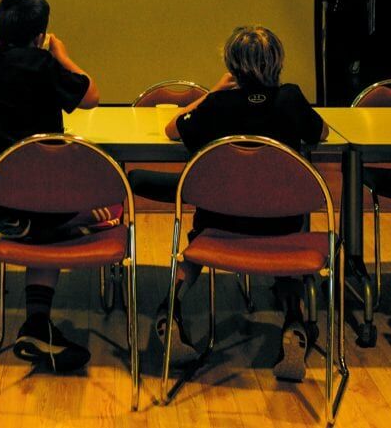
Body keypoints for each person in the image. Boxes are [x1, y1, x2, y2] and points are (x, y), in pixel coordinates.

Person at [129, 25, 328, 382]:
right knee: (288, 255)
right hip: (280, 223)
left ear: (231, 65)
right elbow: (322, 134)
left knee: (196, 248)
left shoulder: (218, 105)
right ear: (277, 62)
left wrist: (210, 94)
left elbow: (173, 129)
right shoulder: (290, 98)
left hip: (218, 223)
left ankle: (169, 310)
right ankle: (294, 324)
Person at [0, 0, 101, 372]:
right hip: (48, 204)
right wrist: (62, 55)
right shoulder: (43, 64)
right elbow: (91, 96)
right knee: (89, 211)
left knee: (43, 221)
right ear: (41, 35)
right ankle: (38, 319)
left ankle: (38, 323)